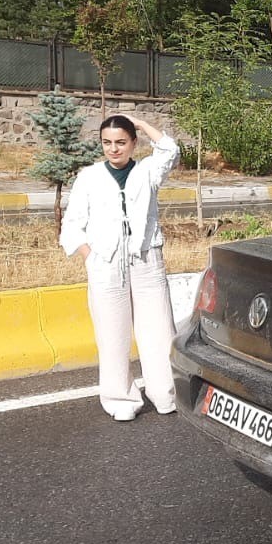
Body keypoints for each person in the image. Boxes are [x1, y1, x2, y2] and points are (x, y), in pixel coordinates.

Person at [60, 114, 181, 421]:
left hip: (146, 261)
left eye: (121, 142)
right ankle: (120, 400)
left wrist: (140, 122)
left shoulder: (148, 171)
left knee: (158, 330)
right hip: (105, 263)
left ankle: (165, 395)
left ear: (133, 143)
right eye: (107, 143)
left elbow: (169, 150)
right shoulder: (88, 177)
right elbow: (72, 225)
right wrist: (91, 257)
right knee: (112, 334)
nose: (113, 149)